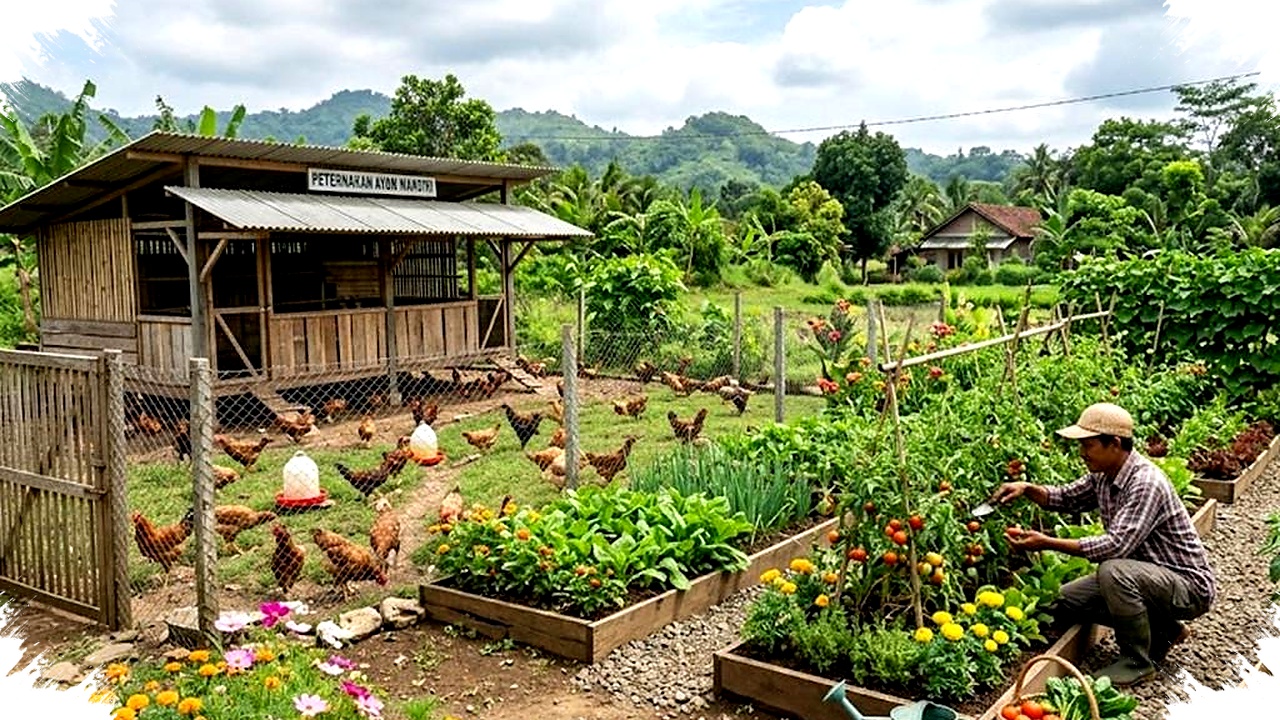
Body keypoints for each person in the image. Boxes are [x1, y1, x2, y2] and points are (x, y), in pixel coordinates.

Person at [991, 402, 1216, 686]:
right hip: (1145, 576)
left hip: (1187, 587)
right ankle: (1164, 630)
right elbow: (1066, 498)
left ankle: (1137, 661)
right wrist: (1027, 489)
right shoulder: (1104, 475)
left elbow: (1115, 547)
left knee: (1112, 571)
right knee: (1064, 601)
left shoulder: (1145, 483)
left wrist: (1046, 542)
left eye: (1088, 445)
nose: (1082, 452)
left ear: (1115, 443)